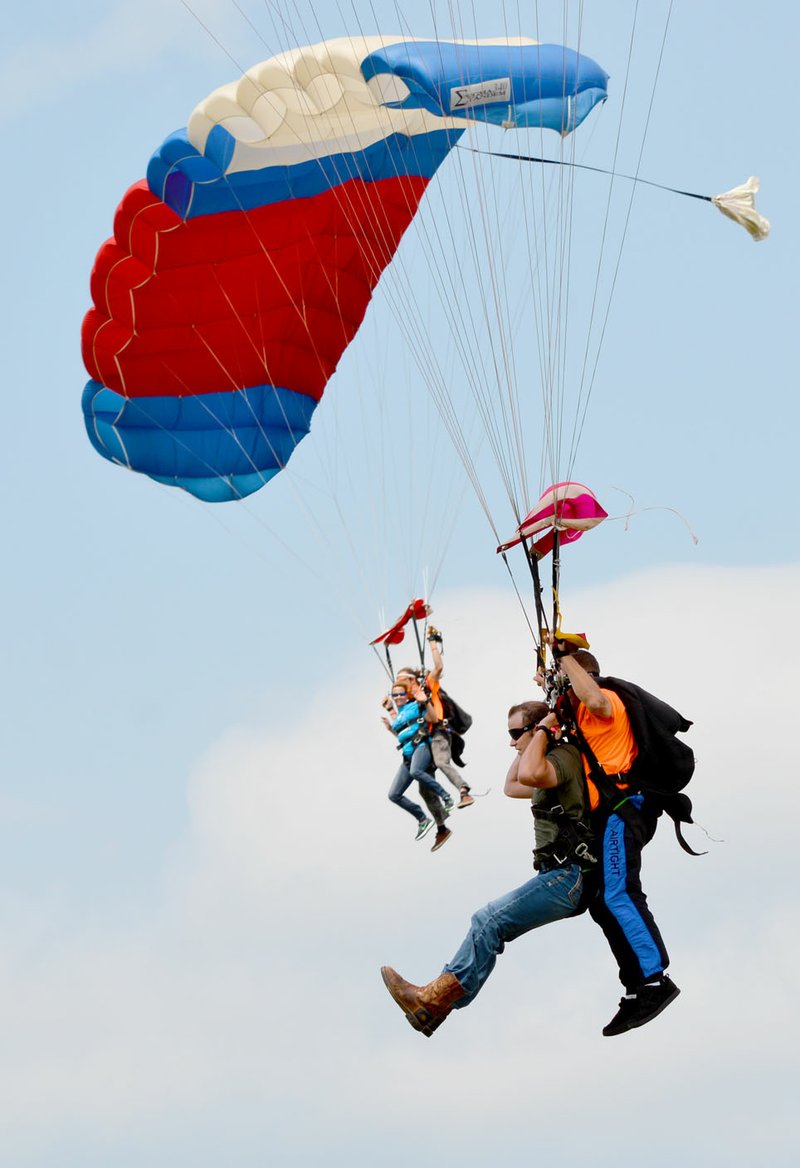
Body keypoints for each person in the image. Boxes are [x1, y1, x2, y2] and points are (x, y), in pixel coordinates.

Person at [380, 699, 593, 1035]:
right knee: (489, 923)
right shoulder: (545, 758)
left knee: (488, 920)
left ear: (539, 731)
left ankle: (434, 999)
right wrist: (530, 738)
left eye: (514, 733)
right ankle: (433, 1009)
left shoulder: (561, 759)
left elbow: (530, 773)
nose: (511, 742)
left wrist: (540, 731)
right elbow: (512, 786)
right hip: (558, 876)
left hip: (569, 875)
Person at [551, 640, 680, 1036]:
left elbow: (593, 696)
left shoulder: (605, 700)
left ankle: (655, 980)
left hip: (622, 810)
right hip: (606, 817)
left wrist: (565, 661)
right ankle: (636, 985)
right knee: (601, 904)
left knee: (618, 894)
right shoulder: (580, 718)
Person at [396, 627, 474, 809]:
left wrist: (432, 642)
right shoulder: (407, 703)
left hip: (439, 732)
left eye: (402, 681)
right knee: (422, 785)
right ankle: (441, 825)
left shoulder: (427, 686)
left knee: (441, 762)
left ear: (411, 679)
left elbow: (438, 667)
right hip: (423, 741)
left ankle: (464, 791)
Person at [383, 678, 453, 852]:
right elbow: (401, 732)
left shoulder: (414, 706)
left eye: (400, 694)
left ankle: (446, 797)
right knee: (393, 794)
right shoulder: (398, 716)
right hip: (407, 755)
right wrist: (390, 711)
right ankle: (422, 819)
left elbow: (432, 717)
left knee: (416, 771)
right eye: (395, 695)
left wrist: (424, 699)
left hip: (421, 747)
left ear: (406, 696)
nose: (398, 697)